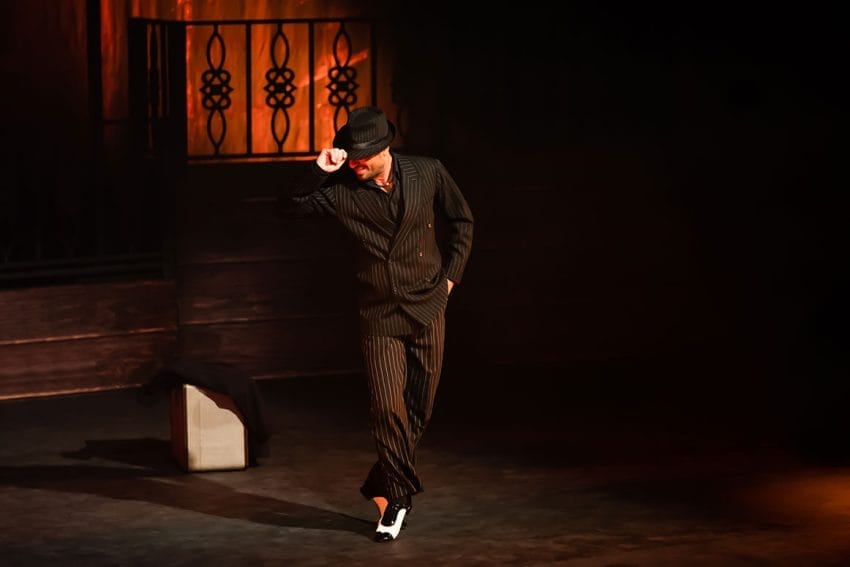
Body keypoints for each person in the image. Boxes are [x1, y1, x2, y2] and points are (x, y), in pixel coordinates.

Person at [277, 106, 474, 542]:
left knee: (419, 410)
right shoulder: (342, 190)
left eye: (361, 155)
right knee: (387, 409)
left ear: (385, 148)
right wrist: (318, 169)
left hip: (428, 304)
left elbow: (462, 220)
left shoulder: (427, 172)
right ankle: (398, 497)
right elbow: (288, 206)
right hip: (379, 313)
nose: (355, 163)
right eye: (350, 155)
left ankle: (380, 481)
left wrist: (450, 279)